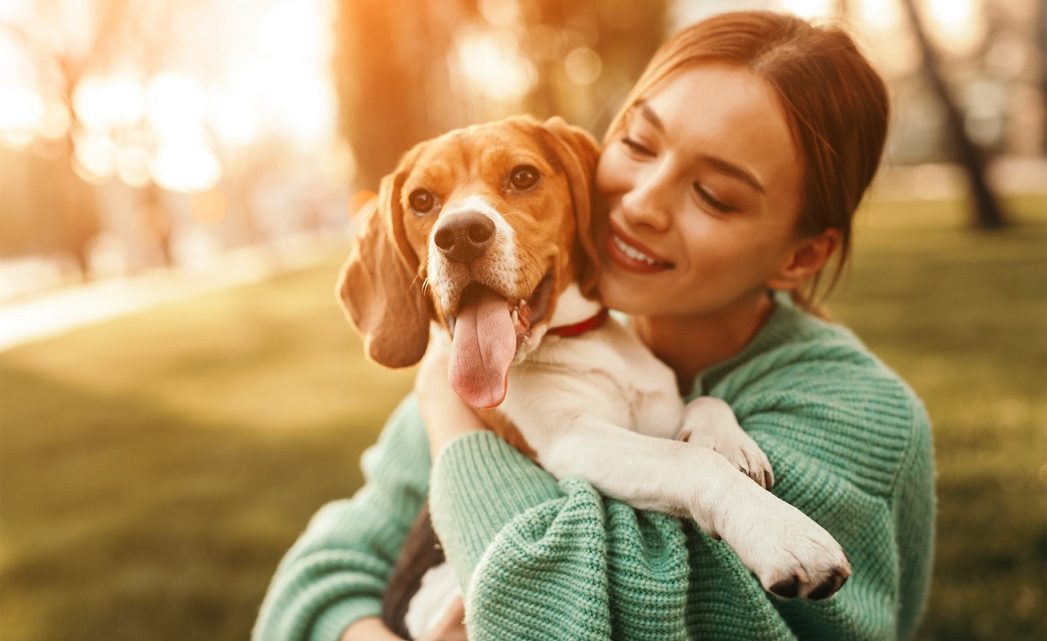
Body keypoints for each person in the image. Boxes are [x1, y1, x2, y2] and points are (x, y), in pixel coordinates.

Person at [252, 10, 935, 641]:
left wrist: (452, 425)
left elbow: (553, 621)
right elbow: (316, 579)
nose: (639, 204)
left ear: (800, 255)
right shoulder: (488, 356)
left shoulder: (852, 418)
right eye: (638, 144)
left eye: (713, 194)